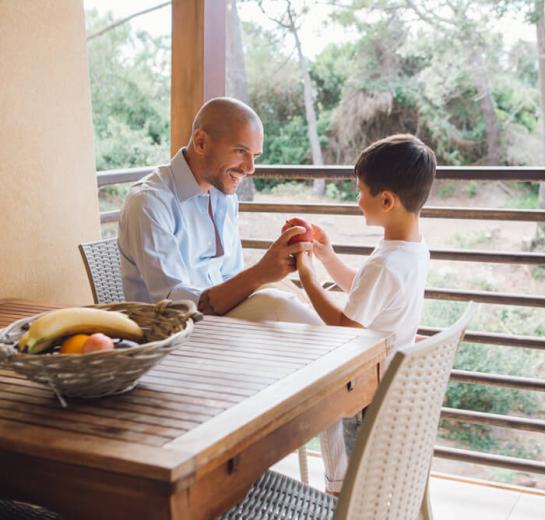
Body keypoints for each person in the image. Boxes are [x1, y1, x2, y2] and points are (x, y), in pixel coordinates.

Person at [296, 134, 437, 494]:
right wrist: (328, 257)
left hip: (365, 394)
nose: (357, 201)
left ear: (386, 199)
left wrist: (309, 278)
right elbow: (366, 292)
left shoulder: (386, 263)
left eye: (360, 191)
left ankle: (339, 497)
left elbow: (346, 324)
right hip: (389, 380)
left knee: (352, 485)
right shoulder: (413, 250)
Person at [118, 97, 317, 322]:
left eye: (255, 156)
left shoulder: (223, 195)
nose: (250, 168)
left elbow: (230, 275)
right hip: (173, 333)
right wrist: (260, 273)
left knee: (283, 289)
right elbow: (176, 308)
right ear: (201, 142)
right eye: (241, 151)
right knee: (278, 305)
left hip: (220, 320)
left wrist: (271, 271)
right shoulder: (149, 202)